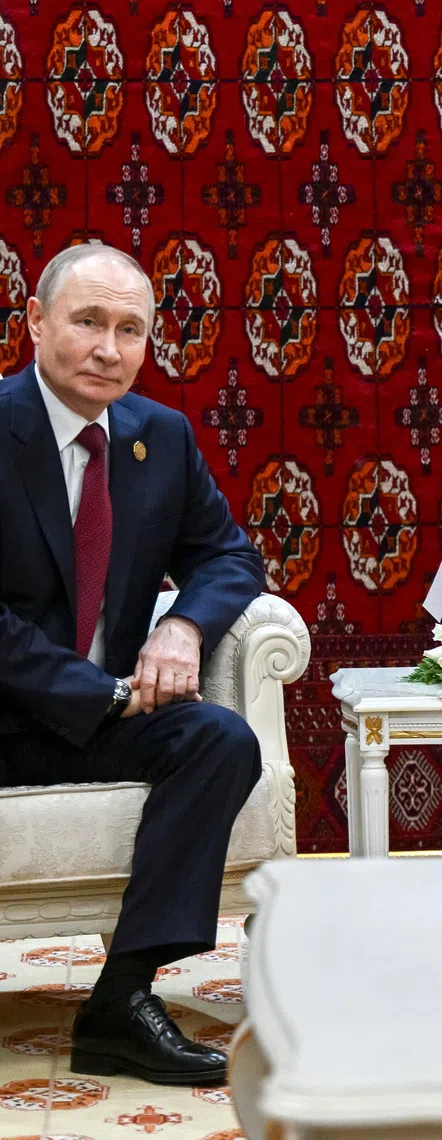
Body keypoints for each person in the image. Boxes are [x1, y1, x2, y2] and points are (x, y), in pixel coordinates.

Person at [0, 244, 265, 1086]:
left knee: (220, 740)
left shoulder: (162, 437)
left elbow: (229, 557)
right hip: (14, 712)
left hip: (103, 713)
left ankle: (120, 1002)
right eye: (87, 322)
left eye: (130, 330)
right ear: (34, 323)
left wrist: (183, 626)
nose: (108, 349)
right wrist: (104, 692)